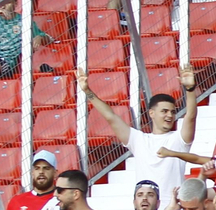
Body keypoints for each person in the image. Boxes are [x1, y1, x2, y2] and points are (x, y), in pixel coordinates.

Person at [83, 65, 199, 199]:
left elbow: (191, 116)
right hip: (145, 207)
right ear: (151, 113)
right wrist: (87, 91)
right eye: (164, 111)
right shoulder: (138, 139)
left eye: (173, 112)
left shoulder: (179, 139)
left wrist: (190, 89)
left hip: (174, 207)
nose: (170, 115)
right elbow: (110, 116)